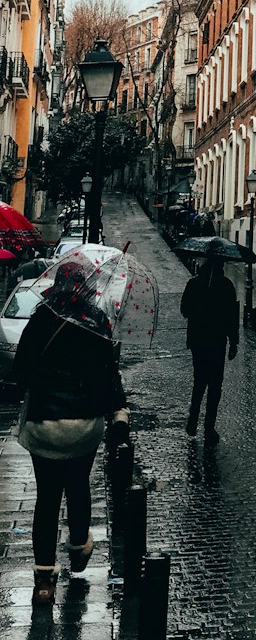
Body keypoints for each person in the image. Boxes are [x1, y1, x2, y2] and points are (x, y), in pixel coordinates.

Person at [9, 260, 128, 607]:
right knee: (78, 486)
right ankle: (78, 547)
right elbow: (108, 376)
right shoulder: (97, 321)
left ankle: (44, 579)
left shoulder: (41, 318)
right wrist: (117, 413)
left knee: (47, 498)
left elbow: (20, 373)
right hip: (84, 426)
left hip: (44, 425)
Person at [180, 238, 239, 445]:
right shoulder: (225, 286)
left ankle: (193, 420)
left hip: (198, 340)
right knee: (215, 385)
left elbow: (184, 311)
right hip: (216, 341)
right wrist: (234, 342)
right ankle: (208, 427)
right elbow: (232, 316)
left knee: (200, 381)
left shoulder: (194, 283)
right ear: (221, 265)